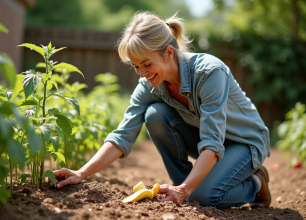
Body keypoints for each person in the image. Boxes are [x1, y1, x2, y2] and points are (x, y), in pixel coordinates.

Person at [50, 11, 271, 209]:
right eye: (136, 67)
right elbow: (122, 135)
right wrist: (81, 172)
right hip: (210, 142)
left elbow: (213, 142)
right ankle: (183, 186)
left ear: (168, 52)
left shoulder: (209, 74)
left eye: (147, 64)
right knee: (155, 115)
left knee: (206, 197)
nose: (142, 74)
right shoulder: (149, 85)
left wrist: (187, 190)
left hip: (243, 142)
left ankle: (256, 181)